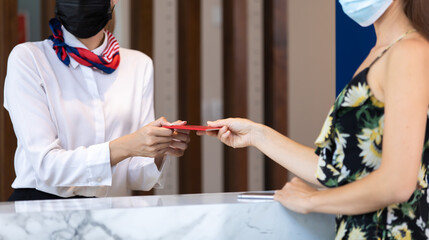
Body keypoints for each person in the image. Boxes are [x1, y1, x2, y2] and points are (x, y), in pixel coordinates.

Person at [200, 0, 429, 238]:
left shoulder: (409, 51)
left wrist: (313, 199)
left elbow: (398, 182)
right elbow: (340, 170)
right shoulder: (381, 53)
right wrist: (257, 135)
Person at [4, 0, 190, 201]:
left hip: (108, 213)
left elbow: (135, 175)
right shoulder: (29, 59)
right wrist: (128, 145)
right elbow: (47, 166)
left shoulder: (139, 64)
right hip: (42, 211)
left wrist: (158, 147)